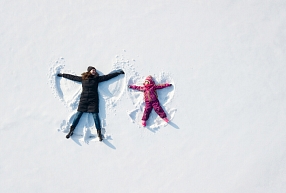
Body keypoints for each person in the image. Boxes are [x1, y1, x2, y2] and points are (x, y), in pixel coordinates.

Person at [57, 66, 124, 141]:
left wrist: (118, 73)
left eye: (95, 70)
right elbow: (73, 77)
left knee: (95, 116)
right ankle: (71, 130)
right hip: (84, 100)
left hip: (93, 100)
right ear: (89, 71)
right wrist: (63, 75)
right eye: (92, 70)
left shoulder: (97, 79)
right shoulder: (83, 78)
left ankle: (99, 133)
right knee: (78, 114)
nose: (94, 71)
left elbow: (107, 77)